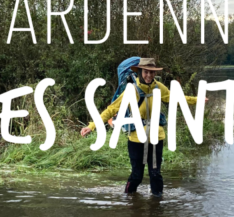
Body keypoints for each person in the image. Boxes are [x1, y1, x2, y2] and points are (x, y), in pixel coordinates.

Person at [79, 58, 201, 197]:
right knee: (137, 174)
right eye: (146, 72)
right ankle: (129, 199)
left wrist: (197, 99)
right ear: (140, 72)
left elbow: (175, 98)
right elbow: (112, 109)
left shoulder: (159, 87)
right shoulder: (132, 90)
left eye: (152, 72)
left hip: (156, 138)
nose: (149, 75)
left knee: (155, 173)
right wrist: (92, 126)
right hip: (136, 139)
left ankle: (157, 204)